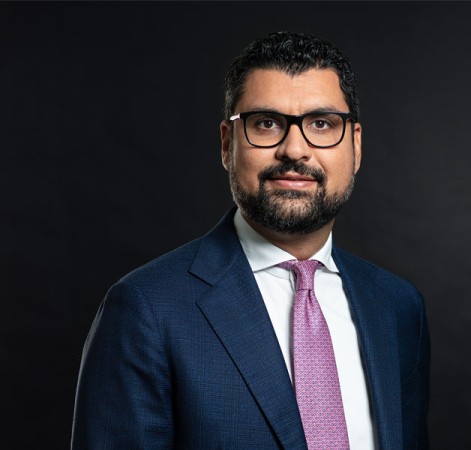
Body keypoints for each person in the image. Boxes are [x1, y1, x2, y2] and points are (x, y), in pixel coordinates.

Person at [71, 31, 429, 450]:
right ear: (228, 144)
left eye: (321, 124)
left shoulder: (397, 307)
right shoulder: (146, 309)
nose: (294, 150)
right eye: (266, 123)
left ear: (356, 145)